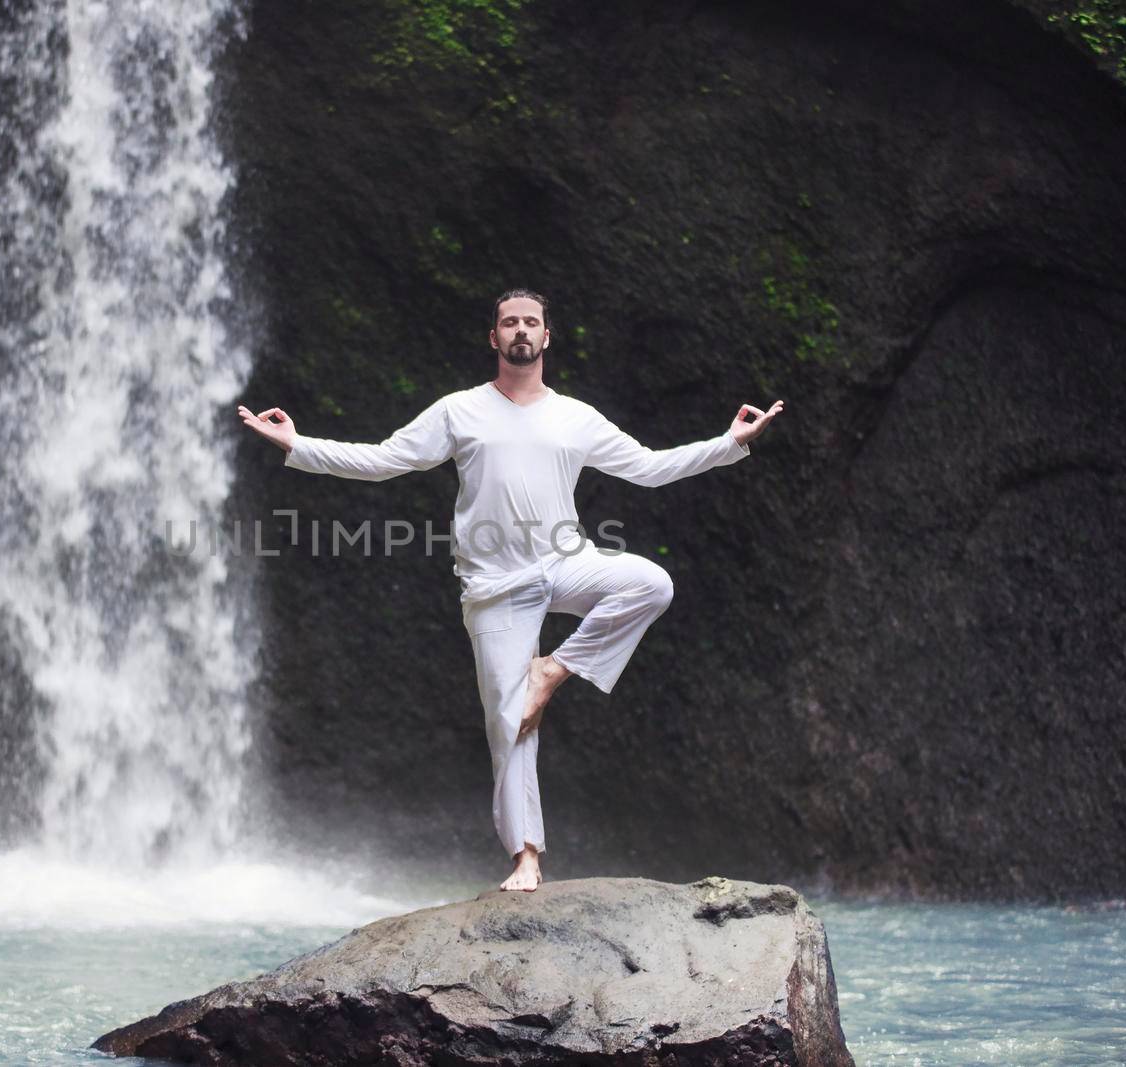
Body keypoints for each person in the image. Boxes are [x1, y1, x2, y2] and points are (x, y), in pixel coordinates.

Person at [237, 289, 784, 892]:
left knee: (650, 583)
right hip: (495, 584)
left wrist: (731, 443)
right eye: (509, 323)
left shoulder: (576, 416)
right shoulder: (458, 410)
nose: (520, 331)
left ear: (547, 337)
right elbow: (386, 460)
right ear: (492, 338)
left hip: (565, 559)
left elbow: (650, 468)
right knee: (511, 724)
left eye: (531, 322)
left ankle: (555, 669)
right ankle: (526, 855)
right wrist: (298, 445)